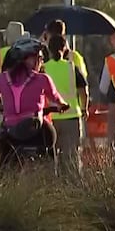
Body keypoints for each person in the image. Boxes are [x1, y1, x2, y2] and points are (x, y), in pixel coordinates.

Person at [0, 38, 70, 168]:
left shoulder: (2, 78)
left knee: (4, 161)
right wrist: (62, 105)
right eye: (38, 58)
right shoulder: (42, 78)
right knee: (50, 139)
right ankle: (51, 178)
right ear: (27, 60)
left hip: (11, 132)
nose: (41, 62)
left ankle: (5, 181)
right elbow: (56, 98)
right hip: (36, 129)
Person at [44, 34, 89, 169]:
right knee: (71, 159)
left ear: (49, 49)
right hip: (71, 118)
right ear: (64, 49)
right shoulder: (71, 67)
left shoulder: (44, 69)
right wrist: (84, 108)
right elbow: (83, 91)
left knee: (50, 159)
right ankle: (72, 188)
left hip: (49, 119)